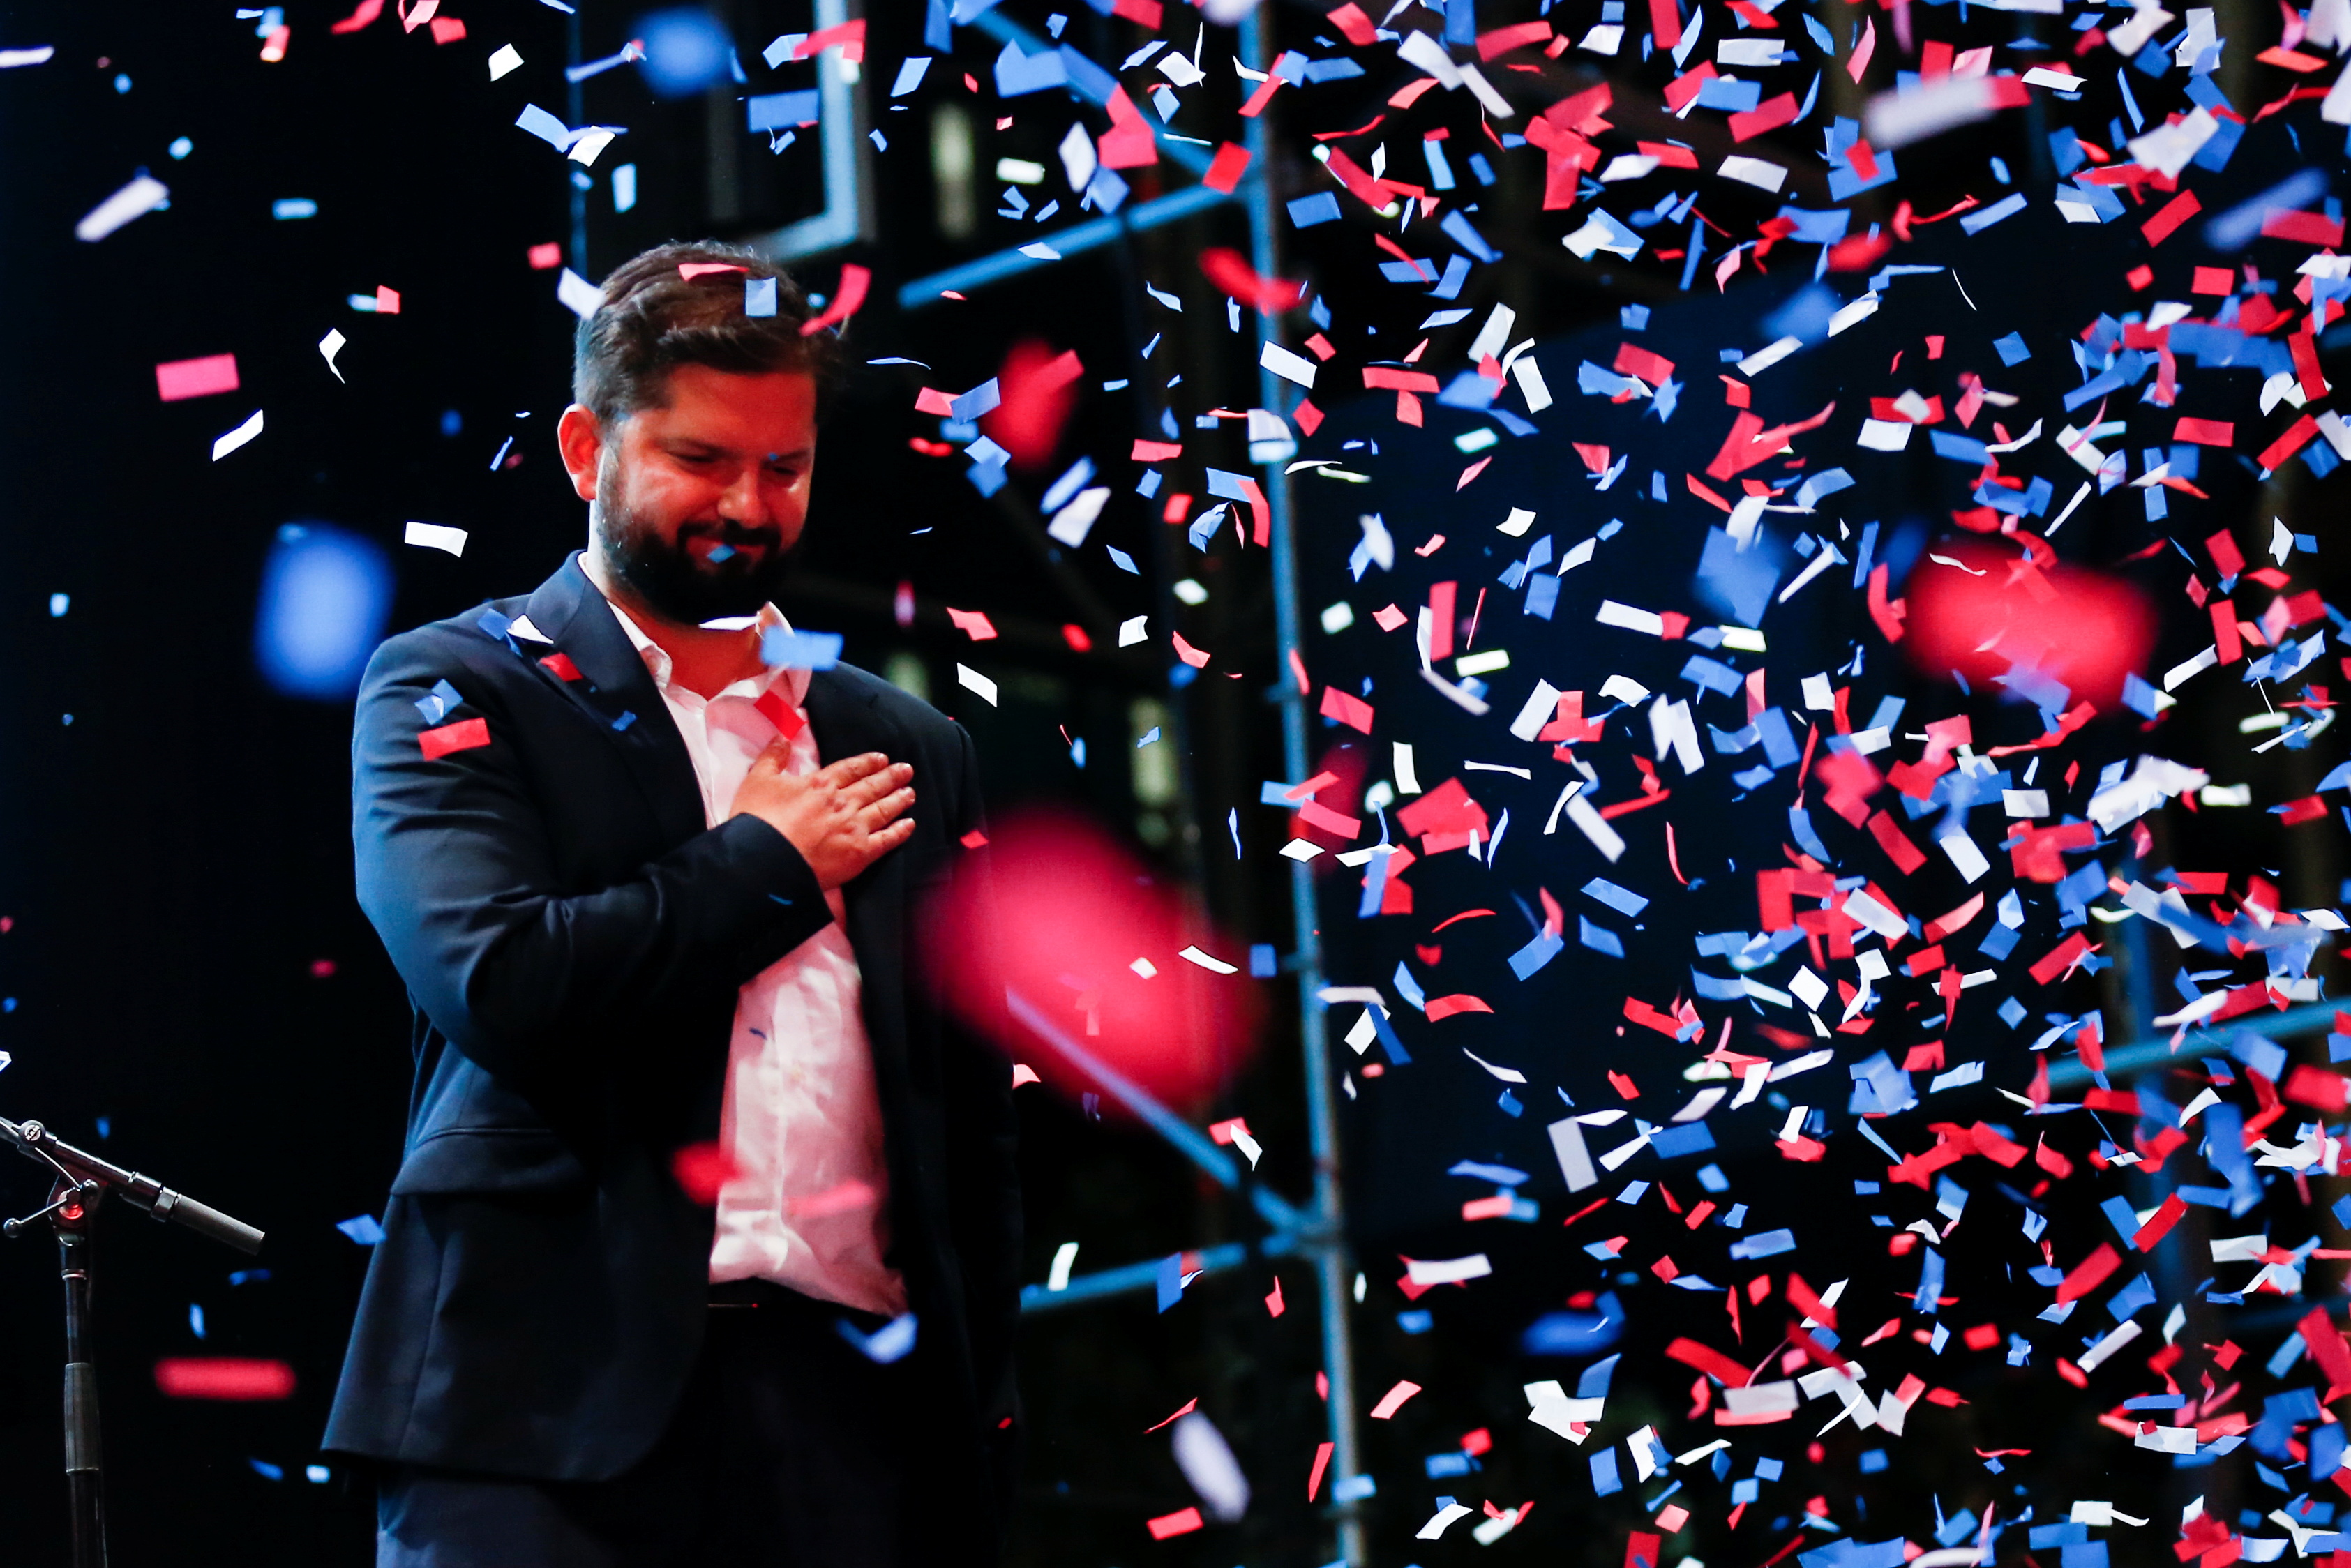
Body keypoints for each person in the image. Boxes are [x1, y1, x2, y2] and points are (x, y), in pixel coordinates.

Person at [323, 240, 1021, 1567]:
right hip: (532, 1417)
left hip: (852, 1421)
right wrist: (767, 858)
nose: (747, 507)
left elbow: (961, 1116)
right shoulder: (453, 687)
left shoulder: (904, 742)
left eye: (786, 467)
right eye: (701, 461)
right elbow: (502, 985)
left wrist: (979, 1424)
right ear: (588, 451)